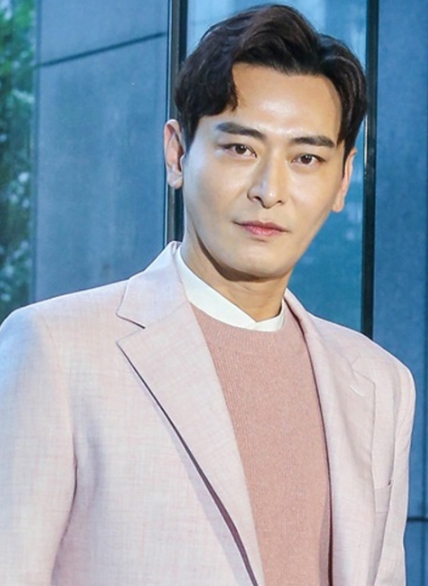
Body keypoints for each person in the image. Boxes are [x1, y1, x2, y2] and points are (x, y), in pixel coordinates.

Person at [0, 4, 415, 586]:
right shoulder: (56, 349)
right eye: (241, 148)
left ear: (343, 179)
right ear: (177, 154)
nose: (270, 190)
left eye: (306, 158)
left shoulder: (380, 383)